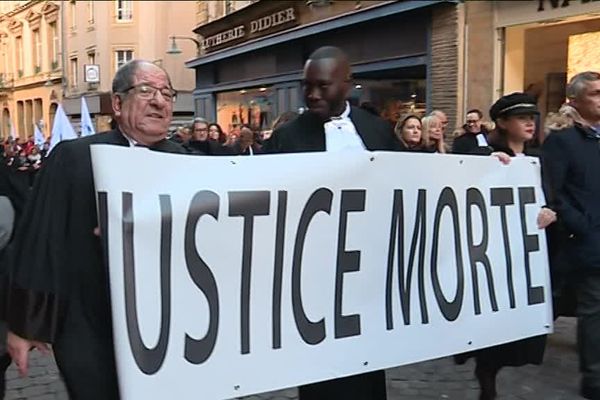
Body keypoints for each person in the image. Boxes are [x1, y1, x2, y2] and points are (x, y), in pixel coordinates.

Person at [1, 59, 191, 400]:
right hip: (89, 322)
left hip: (166, 324)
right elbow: (41, 242)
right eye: (146, 91)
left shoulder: (186, 161)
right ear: (117, 104)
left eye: (167, 93)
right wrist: (24, 325)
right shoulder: (73, 158)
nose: (160, 102)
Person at [264, 45, 401, 400]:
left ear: (347, 84)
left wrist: (492, 169)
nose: (311, 94)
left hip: (367, 274)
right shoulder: (287, 137)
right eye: (306, 86)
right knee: (319, 371)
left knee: (366, 364)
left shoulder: (377, 130)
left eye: (322, 86)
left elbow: (416, 182)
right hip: (313, 276)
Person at [455, 93, 555, 400]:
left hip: (526, 257)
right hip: (490, 257)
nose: (529, 123)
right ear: (502, 122)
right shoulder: (482, 154)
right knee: (490, 326)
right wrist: (483, 165)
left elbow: (552, 197)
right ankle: (487, 379)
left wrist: (550, 213)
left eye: (532, 117)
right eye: (521, 117)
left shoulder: (538, 158)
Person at [542, 71, 600, 400]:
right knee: (594, 311)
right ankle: (594, 379)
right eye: (595, 93)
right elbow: (554, 192)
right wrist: (582, 225)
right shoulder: (562, 142)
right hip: (588, 243)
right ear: (575, 100)